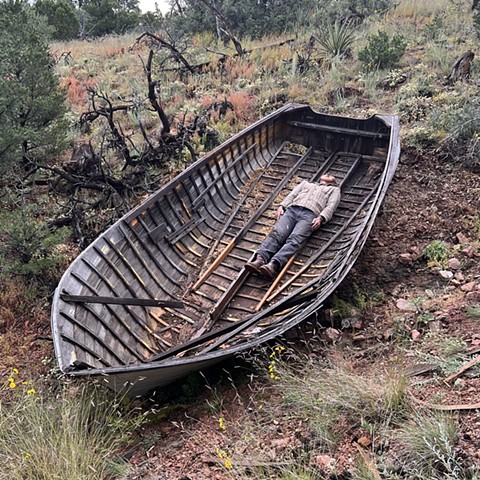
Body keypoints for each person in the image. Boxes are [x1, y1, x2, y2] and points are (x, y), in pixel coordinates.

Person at [245, 174, 341, 279]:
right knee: (277, 233)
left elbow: (331, 206)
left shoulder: (334, 190)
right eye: (326, 174)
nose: (328, 174)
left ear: (333, 182)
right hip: (292, 210)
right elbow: (292, 195)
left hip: (310, 215)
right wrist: (282, 206)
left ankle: (274, 264)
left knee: (295, 239)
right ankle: (260, 260)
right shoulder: (306, 184)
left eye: (330, 175)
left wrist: (321, 217)